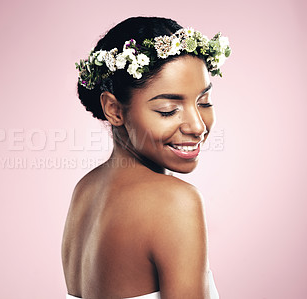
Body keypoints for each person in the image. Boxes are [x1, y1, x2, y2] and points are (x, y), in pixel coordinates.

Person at [62, 16, 230, 299]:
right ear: (114, 110)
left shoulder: (86, 190)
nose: (197, 126)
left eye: (204, 102)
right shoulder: (174, 202)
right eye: (168, 109)